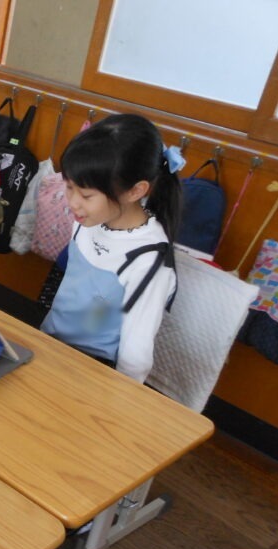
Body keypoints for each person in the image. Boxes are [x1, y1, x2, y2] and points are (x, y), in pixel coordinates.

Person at [40, 114, 182, 383]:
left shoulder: (148, 260)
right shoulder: (89, 218)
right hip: (50, 344)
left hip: (92, 373)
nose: (73, 202)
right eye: (69, 187)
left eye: (86, 195)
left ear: (135, 191)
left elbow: (135, 355)